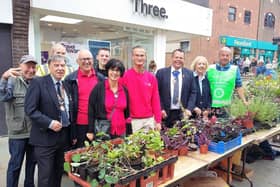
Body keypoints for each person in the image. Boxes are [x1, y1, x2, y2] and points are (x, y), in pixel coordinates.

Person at [24, 55, 72, 187]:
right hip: (44, 138)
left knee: (57, 174)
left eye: (62, 65)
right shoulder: (38, 83)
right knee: (45, 177)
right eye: (56, 65)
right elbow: (30, 109)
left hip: (63, 137)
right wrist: (49, 123)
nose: (60, 68)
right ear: (49, 67)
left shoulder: (65, 85)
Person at [0, 55, 37, 187]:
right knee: (15, 165)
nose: (31, 70)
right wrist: (4, 78)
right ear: (20, 66)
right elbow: (3, 96)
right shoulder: (11, 80)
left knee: (32, 164)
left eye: (33, 67)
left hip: (34, 132)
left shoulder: (37, 82)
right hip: (17, 133)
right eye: (28, 66)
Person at [64, 49, 104, 148]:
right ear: (77, 61)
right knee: (80, 155)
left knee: (98, 154)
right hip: (79, 124)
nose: (86, 61)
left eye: (89, 59)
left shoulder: (101, 78)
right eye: (83, 59)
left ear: (93, 60)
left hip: (97, 123)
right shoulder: (70, 79)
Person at [121, 46, 161, 132]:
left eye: (142, 55)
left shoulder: (151, 78)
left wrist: (158, 121)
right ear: (132, 57)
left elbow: (155, 100)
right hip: (132, 121)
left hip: (149, 120)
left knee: (150, 145)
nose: (139, 58)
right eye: (137, 55)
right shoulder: (125, 76)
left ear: (145, 57)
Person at [88, 59, 129, 140]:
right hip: (103, 130)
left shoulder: (124, 90)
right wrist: (90, 130)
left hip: (121, 131)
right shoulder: (99, 88)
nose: (114, 73)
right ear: (108, 70)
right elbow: (91, 109)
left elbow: (127, 113)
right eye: (112, 70)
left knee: (120, 152)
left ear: (121, 73)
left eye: (117, 71)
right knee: (104, 152)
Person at [156, 49, 197, 127]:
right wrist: (160, 109)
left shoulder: (189, 74)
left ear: (184, 60)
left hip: (182, 114)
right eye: (176, 57)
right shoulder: (161, 73)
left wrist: (189, 109)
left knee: (182, 138)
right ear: (172, 58)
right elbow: (156, 93)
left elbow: (193, 92)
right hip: (165, 114)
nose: (178, 60)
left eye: (181, 58)